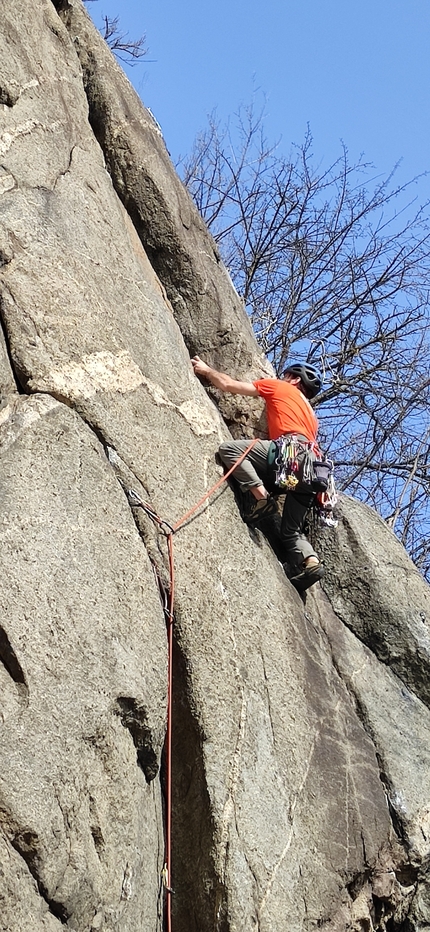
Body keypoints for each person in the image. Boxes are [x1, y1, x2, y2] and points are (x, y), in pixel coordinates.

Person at [191, 355, 325, 590]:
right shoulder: (311, 417)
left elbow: (228, 385)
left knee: (229, 450)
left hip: (291, 454)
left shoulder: (280, 387)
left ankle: (262, 499)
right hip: (315, 472)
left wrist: (206, 370)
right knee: (291, 530)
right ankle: (311, 562)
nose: (281, 378)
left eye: (286, 376)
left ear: (293, 380)